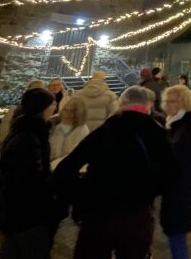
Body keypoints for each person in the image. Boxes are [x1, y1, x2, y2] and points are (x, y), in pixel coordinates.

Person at [54, 86, 170, 259]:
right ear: (148, 106)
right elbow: (169, 174)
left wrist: (81, 195)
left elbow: (66, 168)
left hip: (98, 213)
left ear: (121, 103)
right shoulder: (157, 132)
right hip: (136, 215)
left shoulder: (105, 130)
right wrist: (146, 192)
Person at [0, 88, 57, 259]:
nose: (55, 107)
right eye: (51, 104)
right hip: (27, 210)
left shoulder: (23, 128)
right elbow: (31, 178)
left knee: (11, 250)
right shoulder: (31, 136)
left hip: (15, 207)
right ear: (42, 107)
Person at [161, 85, 191, 258]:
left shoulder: (187, 127)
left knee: (176, 234)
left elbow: (179, 161)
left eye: (171, 101)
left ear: (183, 103)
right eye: (166, 101)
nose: (167, 105)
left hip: (181, 190)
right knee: (176, 234)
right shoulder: (174, 122)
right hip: (179, 188)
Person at [49, 97, 89, 164]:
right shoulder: (52, 123)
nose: (68, 114)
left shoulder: (82, 130)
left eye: (72, 111)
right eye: (66, 110)